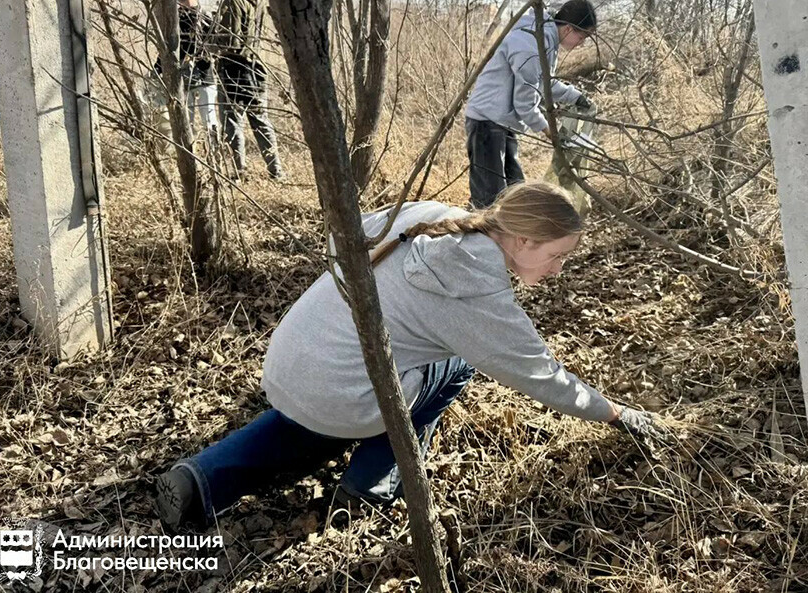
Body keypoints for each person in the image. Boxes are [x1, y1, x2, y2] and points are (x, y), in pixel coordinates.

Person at [153, 180, 665, 530]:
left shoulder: (435, 214)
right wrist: (616, 413)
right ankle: (370, 485)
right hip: (340, 391)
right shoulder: (478, 294)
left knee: (311, 418)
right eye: (557, 256)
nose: (558, 270)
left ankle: (203, 478)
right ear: (525, 239)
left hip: (288, 361)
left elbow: (342, 237)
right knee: (455, 366)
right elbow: (541, 376)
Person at [465, 0, 597, 209]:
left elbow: (543, 82)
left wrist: (575, 97)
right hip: (486, 121)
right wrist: (549, 131)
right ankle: (477, 229)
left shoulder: (545, 40)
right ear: (568, 29)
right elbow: (525, 103)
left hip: (503, 122)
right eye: (582, 37)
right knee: (490, 201)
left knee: (515, 193)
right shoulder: (530, 45)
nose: (581, 44)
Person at [211, 0, 285, 180]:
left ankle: (238, 172)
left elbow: (231, 41)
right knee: (260, 119)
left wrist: (208, 40)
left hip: (234, 69)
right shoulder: (259, 2)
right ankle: (276, 171)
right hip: (256, 67)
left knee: (232, 121)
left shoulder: (233, 2)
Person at [149, 0, 219, 147]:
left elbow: (179, 50)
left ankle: (214, 152)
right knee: (191, 122)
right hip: (189, 79)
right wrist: (157, 68)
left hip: (201, 77)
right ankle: (194, 153)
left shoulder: (201, 17)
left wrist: (157, 69)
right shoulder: (181, 18)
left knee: (207, 121)